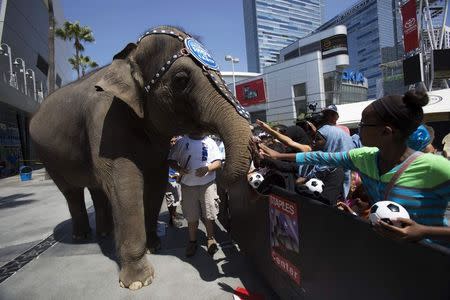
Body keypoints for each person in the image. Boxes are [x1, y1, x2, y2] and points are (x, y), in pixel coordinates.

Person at [259, 90, 450, 247]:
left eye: (363, 124)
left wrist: (424, 231)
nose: (359, 129)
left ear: (386, 132)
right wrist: (277, 155)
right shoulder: (363, 159)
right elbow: (319, 156)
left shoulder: (437, 168)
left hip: (435, 262)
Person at [168, 132, 222, 257]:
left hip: (207, 184)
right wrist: (179, 169)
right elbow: (171, 160)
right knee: (191, 216)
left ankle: (210, 238)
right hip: (188, 186)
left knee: (209, 213)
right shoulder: (181, 142)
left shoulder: (210, 141)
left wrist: (207, 168)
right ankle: (192, 241)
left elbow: (218, 162)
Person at [165, 136, 183, 228]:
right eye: (171, 141)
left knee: (176, 200)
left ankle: (174, 214)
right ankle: (171, 219)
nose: (173, 143)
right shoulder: (165, 152)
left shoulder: (177, 151)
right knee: (170, 200)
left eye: (174, 141)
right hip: (169, 180)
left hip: (177, 179)